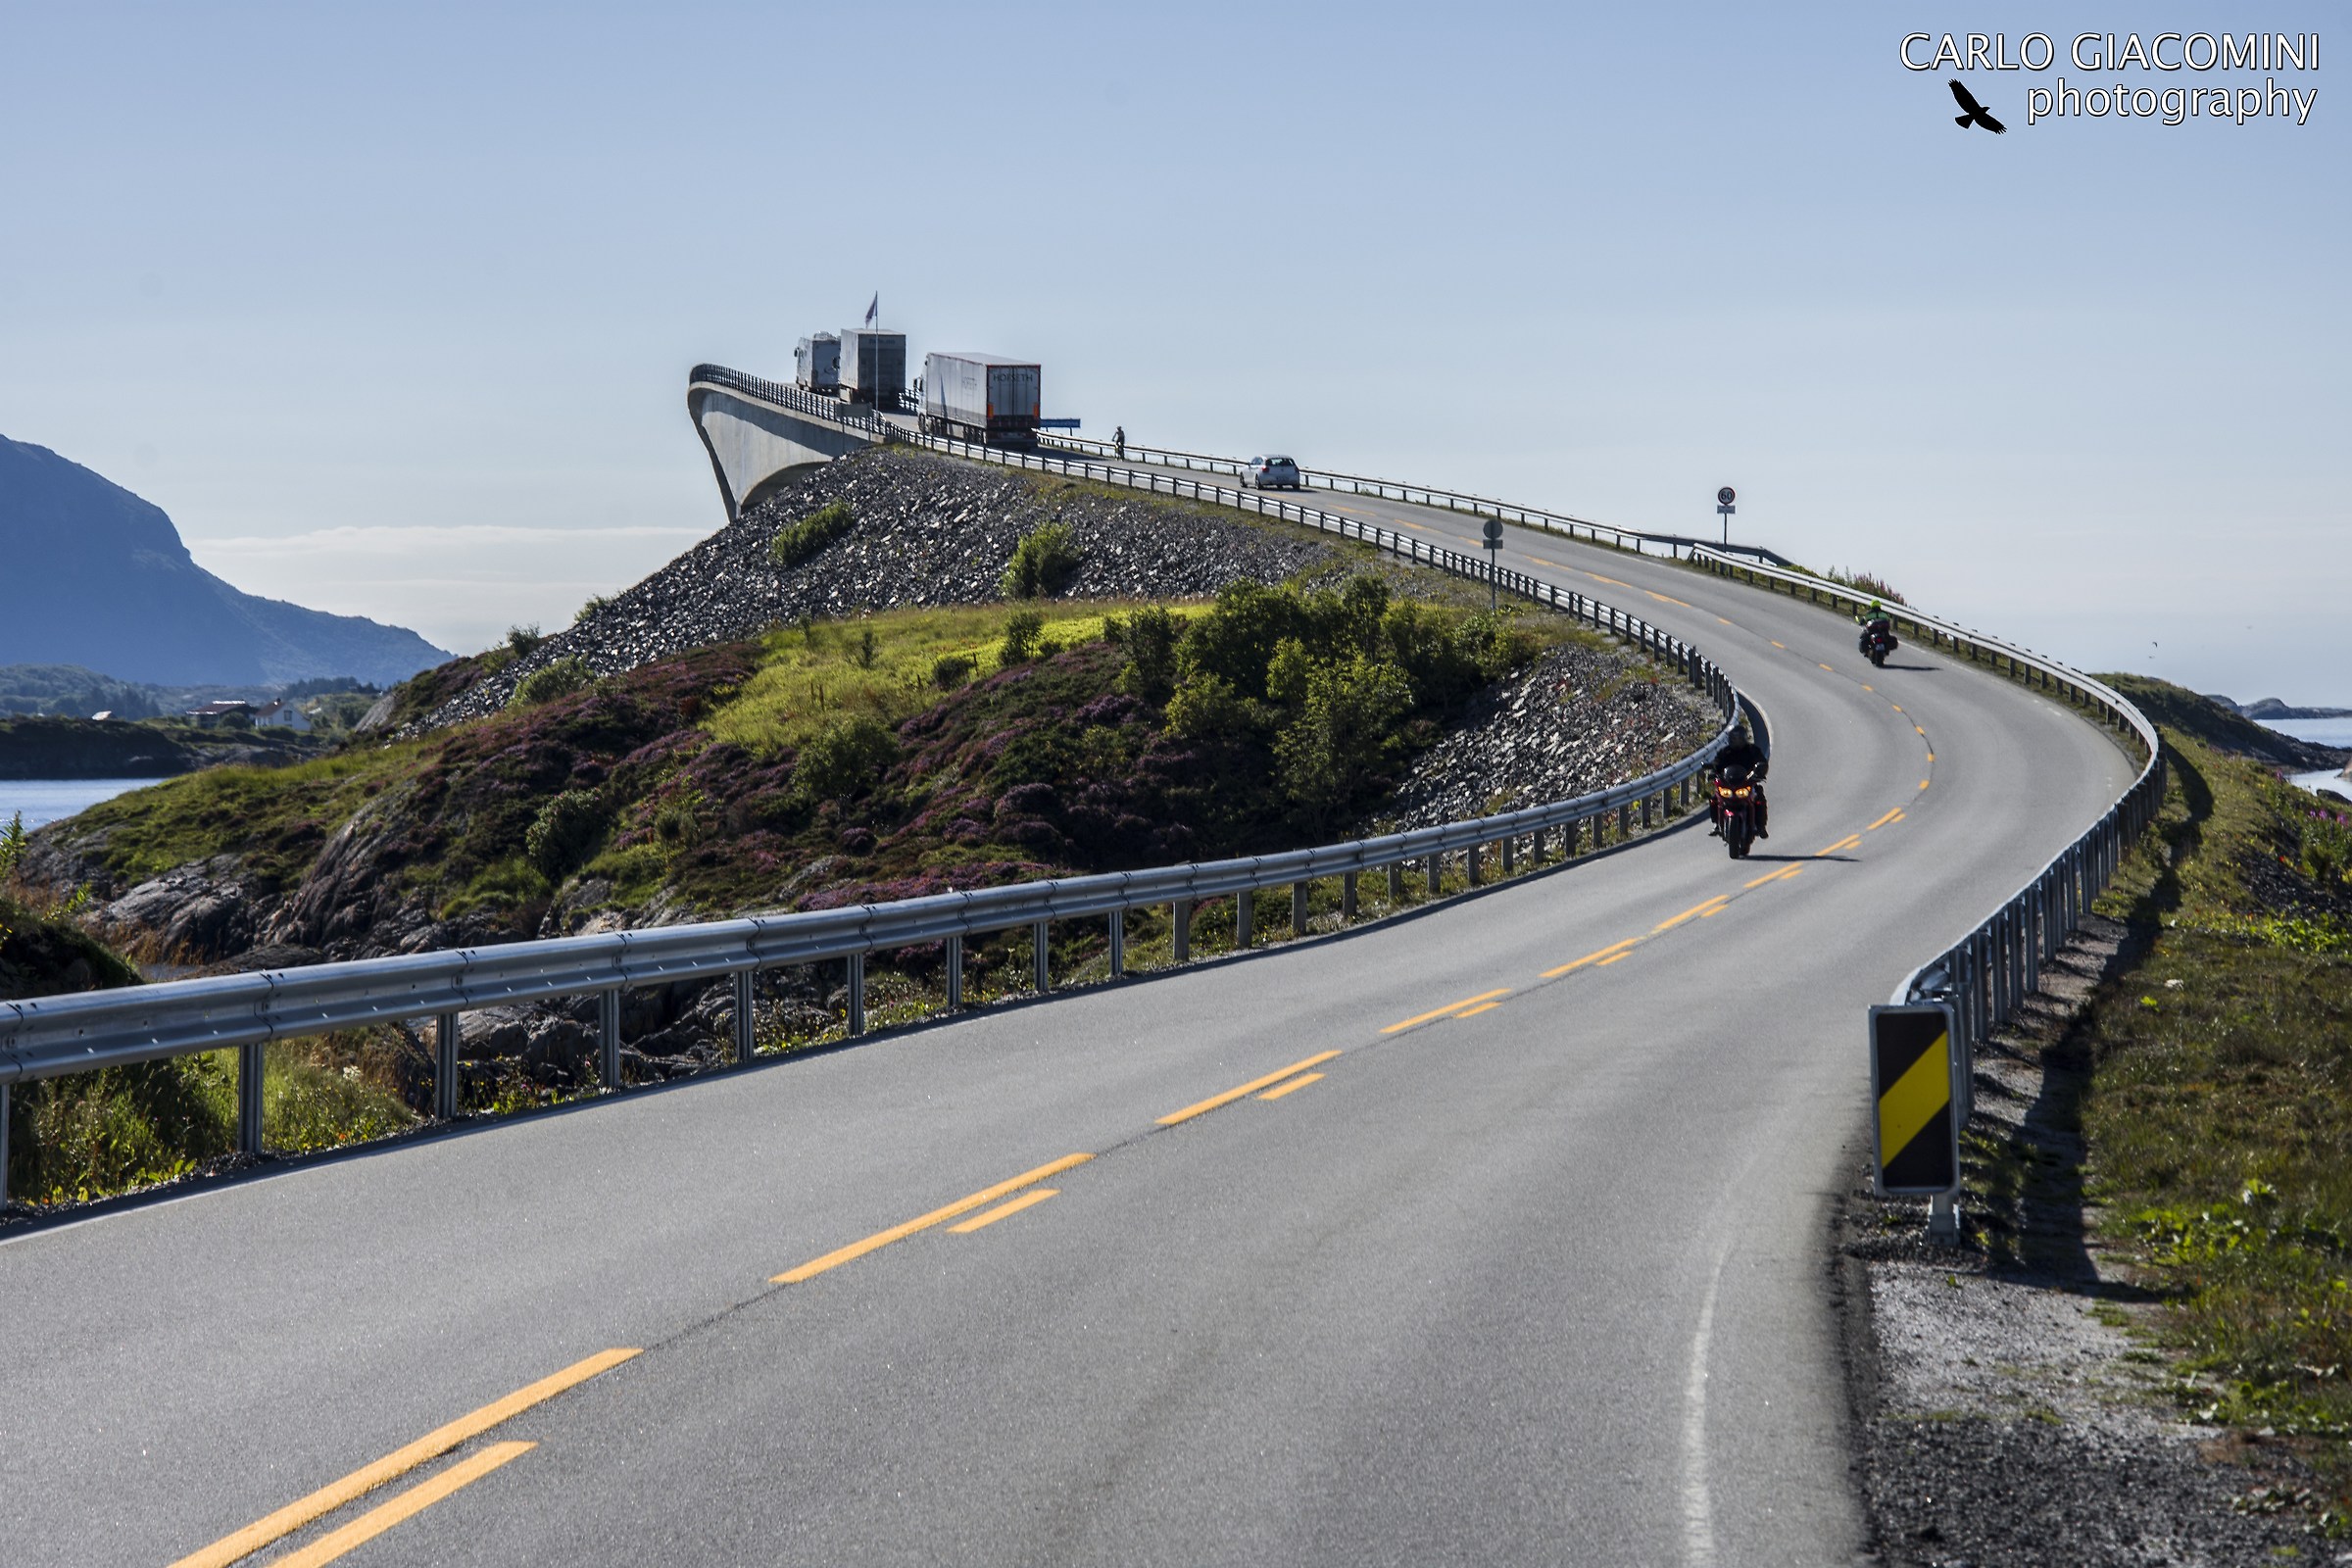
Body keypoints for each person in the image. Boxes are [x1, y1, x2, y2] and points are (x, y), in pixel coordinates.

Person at [1709, 723, 1770, 839]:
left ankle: (1761, 826)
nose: (1737, 741)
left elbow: (1761, 761)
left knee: (1759, 798)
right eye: (1734, 738)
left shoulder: (1752, 750)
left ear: (1744, 737)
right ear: (1730, 738)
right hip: (1728, 783)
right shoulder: (1725, 752)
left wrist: (1760, 771)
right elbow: (1716, 763)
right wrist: (1713, 772)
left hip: (1747, 782)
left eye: (1739, 738)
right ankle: (1716, 824)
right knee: (1714, 799)